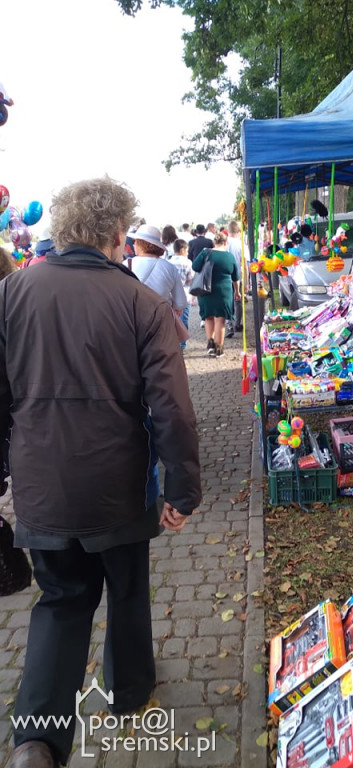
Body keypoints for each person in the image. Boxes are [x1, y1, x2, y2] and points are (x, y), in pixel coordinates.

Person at [0, 176, 202, 768]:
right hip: (120, 485)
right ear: (118, 235)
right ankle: (128, 690)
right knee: (128, 587)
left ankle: (36, 740)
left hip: (41, 487)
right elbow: (172, 407)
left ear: (63, 230)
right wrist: (182, 490)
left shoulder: (10, 295)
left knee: (61, 600)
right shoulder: (141, 303)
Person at [193, 231, 240, 358]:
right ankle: (219, 349)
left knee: (208, 317)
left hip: (206, 290)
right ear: (225, 242)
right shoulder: (230, 257)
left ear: (214, 242)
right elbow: (236, 277)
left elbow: (195, 267)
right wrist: (237, 291)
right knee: (220, 320)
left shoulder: (205, 253)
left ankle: (210, 344)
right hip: (224, 292)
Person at [128, 224, 187, 313]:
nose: (133, 244)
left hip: (133, 320)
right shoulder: (170, 268)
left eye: (134, 241)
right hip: (160, 319)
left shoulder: (126, 265)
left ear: (140, 243)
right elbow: (180, 303)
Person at [170, 238, 194, 350]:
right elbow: (191, 279)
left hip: (170, 295)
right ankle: (182, 344)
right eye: (187, 250)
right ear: (182, 249)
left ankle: (172, 343)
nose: (188, 252)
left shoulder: (168, 262)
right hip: (184, 294)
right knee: (183, 319)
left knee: (171, 319)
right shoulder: (188, 262)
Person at [225, 220, 245, 338]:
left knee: (228, 301)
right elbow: (245, 264)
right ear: (238, 231)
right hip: (238, 275)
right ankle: (238, 323)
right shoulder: (241, 243)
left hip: (225, 276)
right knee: (238, 300)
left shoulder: (224, 243)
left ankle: (229, 324)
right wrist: (247, 282)